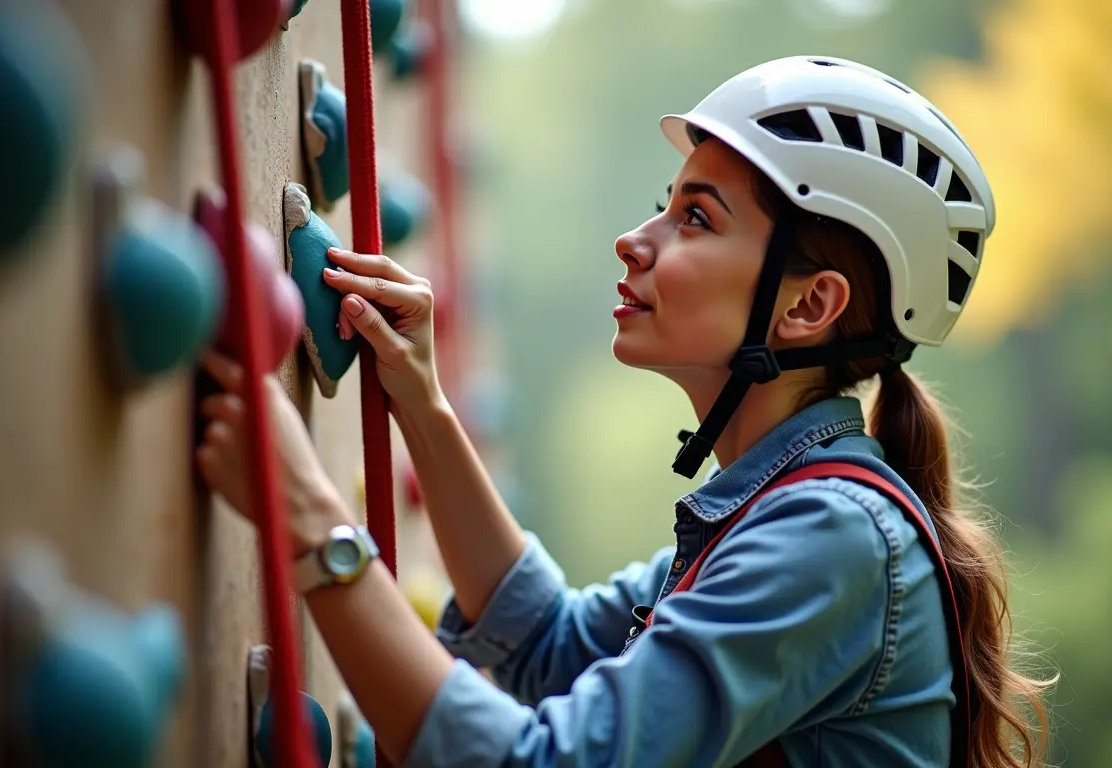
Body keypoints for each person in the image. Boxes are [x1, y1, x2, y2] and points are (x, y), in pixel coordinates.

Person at [196, 56, 1052, 767]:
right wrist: (420, 399)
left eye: (696, 218)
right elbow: (549, 645)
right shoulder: (783, 511)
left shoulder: (829, 539)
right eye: (667, 203)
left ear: (808, 307)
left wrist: (312, 526)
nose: (637, 239)